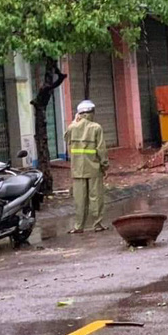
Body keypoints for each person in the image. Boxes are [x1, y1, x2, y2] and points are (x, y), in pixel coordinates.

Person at [64, 100, 109, 234]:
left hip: (77, 169)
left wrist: (74, 122)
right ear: (91, 113)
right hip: (94, 168)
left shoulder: (72, 127)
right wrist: (105, 166)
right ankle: (97, 224)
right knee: (96, 197)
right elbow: (101, 149)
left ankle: (79, 226)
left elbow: (66, 138)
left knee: (79, 199)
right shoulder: (96, 128)